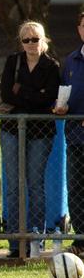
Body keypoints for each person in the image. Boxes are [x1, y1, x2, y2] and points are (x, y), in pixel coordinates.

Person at [0, 21, 59, 258]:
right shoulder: (12, 62)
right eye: (27, 40)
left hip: (40, 132)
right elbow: (5, 92)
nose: (32, 44)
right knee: (13, 187)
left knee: (35, 185)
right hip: (11, 129)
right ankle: (16, 242)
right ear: (21, 42)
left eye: (36, 39)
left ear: (44, 39)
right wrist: (36, 95)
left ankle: (36, 241)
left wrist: (20, 92)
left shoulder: (51, 66)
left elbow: (49, 99)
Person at [55, 13, 84, 256]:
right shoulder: (71, 61)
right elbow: (64, 93)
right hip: (75, 138)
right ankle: (81, 241)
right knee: (75, 189)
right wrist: (61, 107)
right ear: (79, 30)